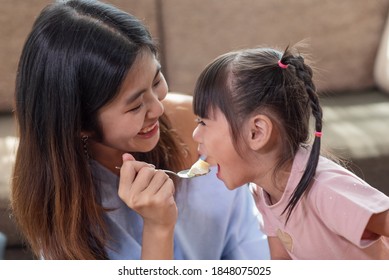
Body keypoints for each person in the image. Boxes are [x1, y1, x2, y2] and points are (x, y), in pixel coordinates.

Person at [11, 0, 269, 260]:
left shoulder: (199, 123)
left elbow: (256, 243)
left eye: (156, 80)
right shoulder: (62, 212)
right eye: (135, 106)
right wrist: (158, 228)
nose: (158, 108)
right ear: (80, 125)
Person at [192, 45, 389, 259]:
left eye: (203, 122)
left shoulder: (324, 190)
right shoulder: (263, 190)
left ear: (256, 132)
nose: (195, 135)